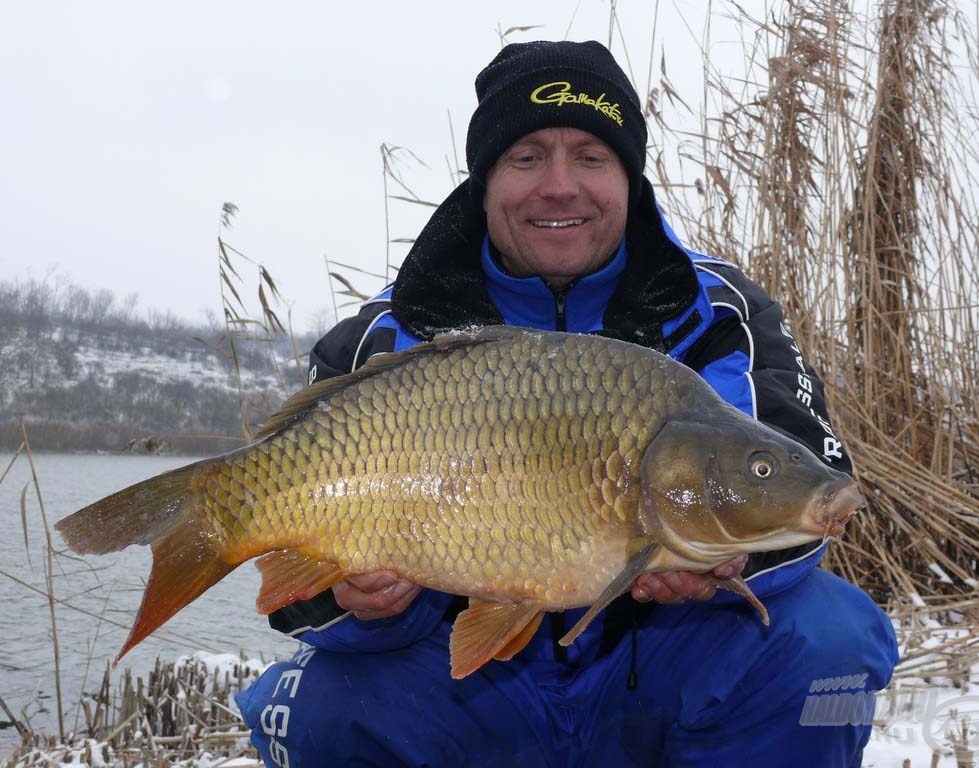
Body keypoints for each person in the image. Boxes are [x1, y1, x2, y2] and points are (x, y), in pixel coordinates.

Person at [236, 40, 898, 767]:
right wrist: (358, 604)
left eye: (590, 156)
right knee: (323, 711)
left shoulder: (722, 314)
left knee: (832, 646)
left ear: (628, 176)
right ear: (486, 181)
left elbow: (805, 492)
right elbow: (295, 601)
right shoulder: (382, 339)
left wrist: (725, 568)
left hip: (654, 676)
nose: (559, 186)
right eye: (525, 158)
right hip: (465, 692)